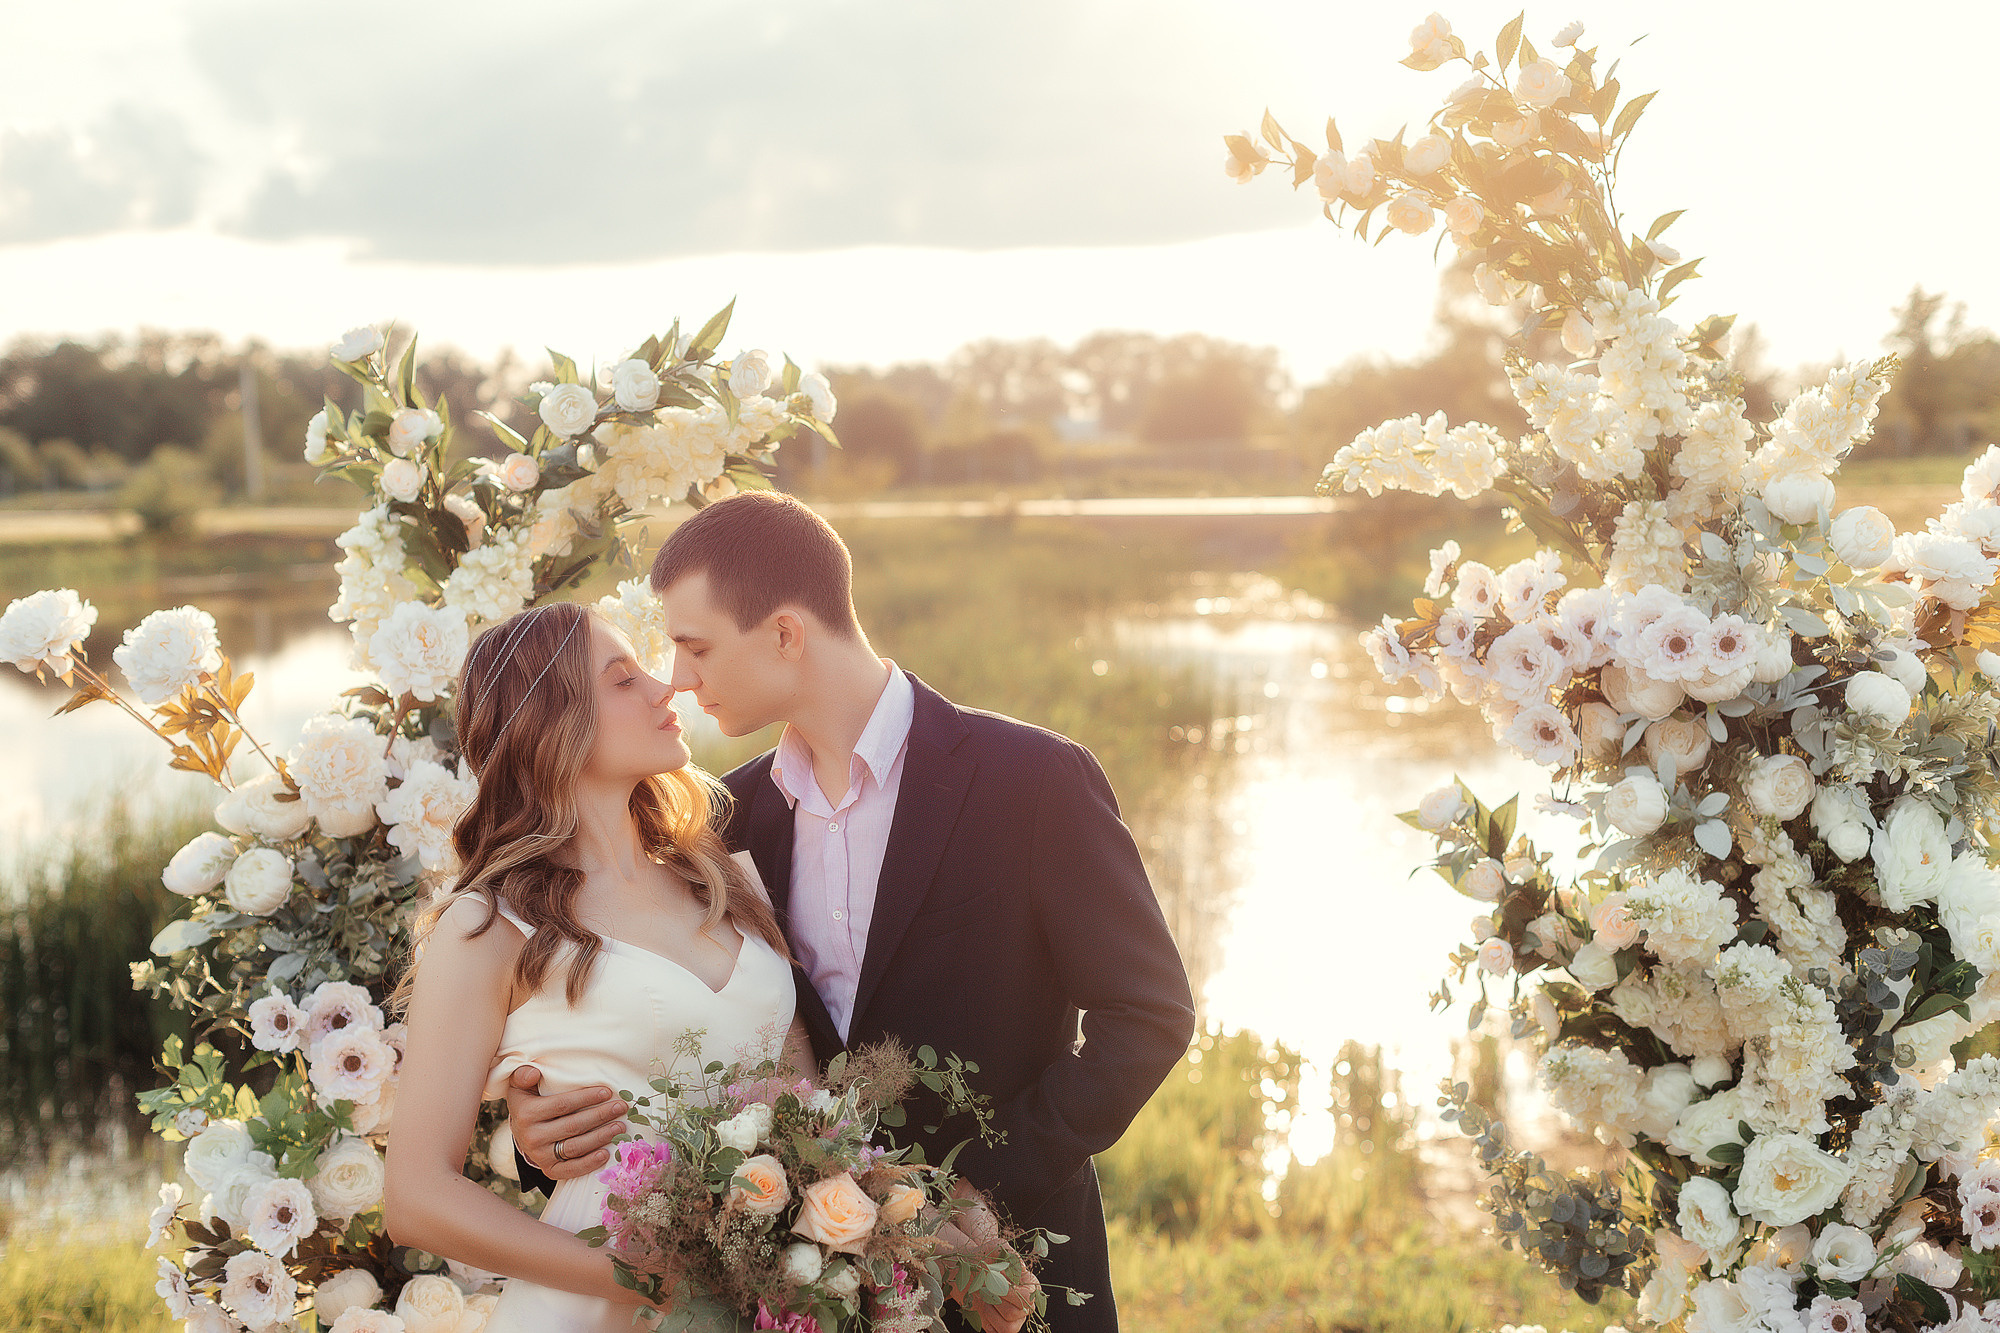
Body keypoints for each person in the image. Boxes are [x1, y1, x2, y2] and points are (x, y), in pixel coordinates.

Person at [505, 491, 1198, 1333]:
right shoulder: (727, 820)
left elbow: (1148, 1013)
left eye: (695, 647)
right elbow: (691, 1035)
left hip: (1011, 1271)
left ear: (787, 634)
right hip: (804, 1288)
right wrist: (545, 1143)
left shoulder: (1034, 780)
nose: (679, 679)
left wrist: (977, 1187)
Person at [384, 601, 810, 1332]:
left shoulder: (723, 875)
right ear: (552, 724)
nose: (662, 688)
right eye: (623, 679)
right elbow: (417, 1196)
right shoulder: (490, 925)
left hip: (761, 1287)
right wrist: (643, 1279)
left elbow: (805, 1087)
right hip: (593, 1303)